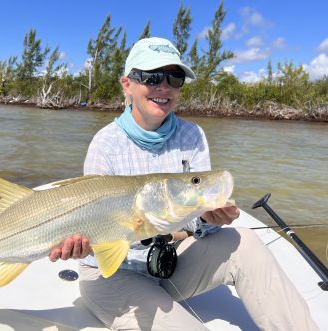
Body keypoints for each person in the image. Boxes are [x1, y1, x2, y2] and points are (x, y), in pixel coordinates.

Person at [49, 37, 319, 330]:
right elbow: (98, 233)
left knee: (245, 242)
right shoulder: (105, 144)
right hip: (112, 275)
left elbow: (198, 225)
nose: (164, 86)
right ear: (127, 85)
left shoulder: (192, 136)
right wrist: (79, 245)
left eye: (174, 78)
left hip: (170, 264)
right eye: (151, 77)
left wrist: (206, 218)